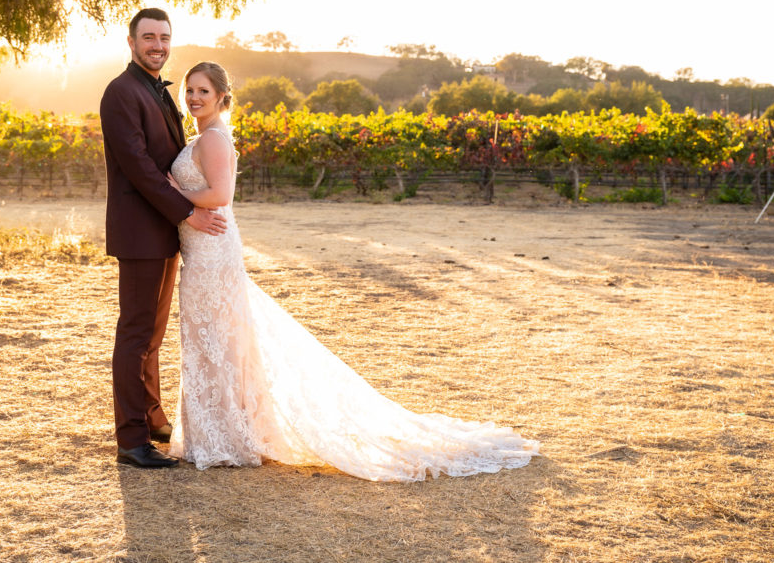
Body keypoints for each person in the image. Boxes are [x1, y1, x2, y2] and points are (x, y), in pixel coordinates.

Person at [166, 62, 540, 482]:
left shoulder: (214, 139)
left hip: (214, 249)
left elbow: (220, 195)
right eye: (189, 90)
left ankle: (225, 439)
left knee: (219, 338)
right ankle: (220, 434)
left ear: (220, 96)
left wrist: (173, 191)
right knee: (215, 339)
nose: (194, 97)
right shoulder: (200, 137)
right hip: (201, 250)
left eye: (202, 90)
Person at [99, 9, 227, 469]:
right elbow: (140, 168)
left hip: (165, 234)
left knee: (151, 336)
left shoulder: (156, 90)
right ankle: (131, 440)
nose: (157, 44)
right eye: (148, 37)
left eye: (164, 37)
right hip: (140, 233)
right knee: (134, 334)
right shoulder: (121, 92)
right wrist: (189, 212)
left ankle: (152, 418)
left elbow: (171, 160)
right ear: (131, 41)